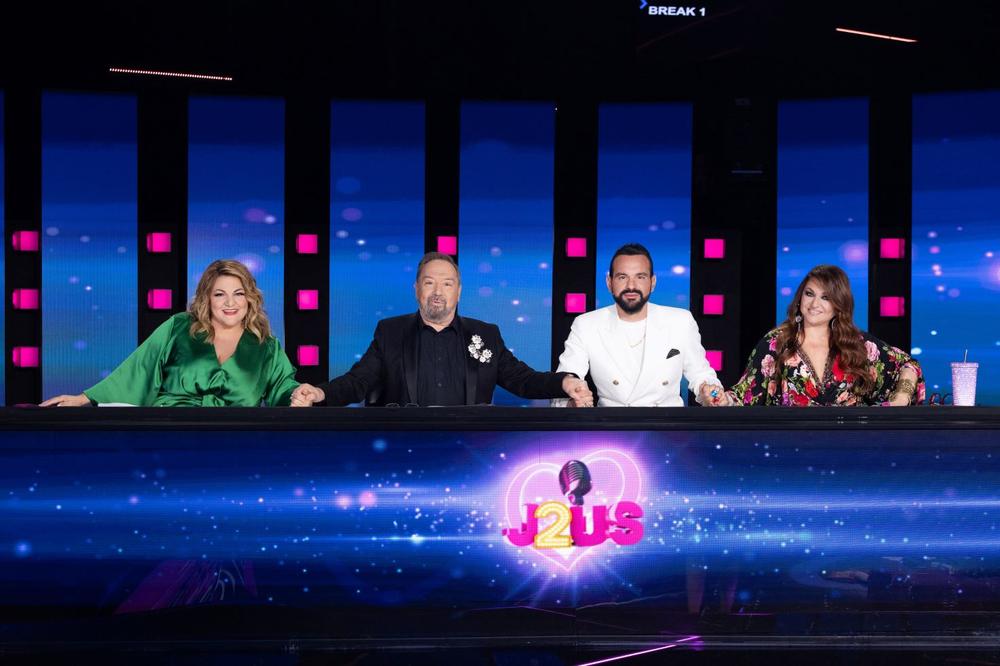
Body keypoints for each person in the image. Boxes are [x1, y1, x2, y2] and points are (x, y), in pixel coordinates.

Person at [290, 252, 593, 407]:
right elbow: (358, 382)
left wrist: (565, 382)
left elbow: (523, 380)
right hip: (405, 446)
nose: (438, 292)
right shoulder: (390, 332)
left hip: (471, 449)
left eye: (447, 284)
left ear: (458, 292)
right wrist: (320, 392)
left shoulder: (485, 335)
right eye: (429, 283)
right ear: (416, 289)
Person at [40, 259, 301, 407]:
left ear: (249, 298)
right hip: (170, 430)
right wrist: (84, 399)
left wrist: (300, 395)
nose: (230, 303)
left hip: (236, 440)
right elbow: (140, 369)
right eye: (220, 294)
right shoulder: (179, 327)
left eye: (239, 294)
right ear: (207, 299)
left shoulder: (266, 346)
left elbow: (283, 388)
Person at [552, 243, 727, 408]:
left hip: (667, 424)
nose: (631, 286)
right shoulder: (587, 324)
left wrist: (711, 392)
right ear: (609, 283)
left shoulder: (680, 321)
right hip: (612, 425)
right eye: (622, 277)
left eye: (640, 277)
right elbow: (566, 380)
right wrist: (572, 400)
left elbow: (701, 374)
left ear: (652, 282)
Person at [728, 264, 923, 406]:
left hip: (851, 444)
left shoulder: (858, 344)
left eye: (825, 297)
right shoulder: (776, 342)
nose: (814, 304)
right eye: (809, 294)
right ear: (800, 297)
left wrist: (902, 397)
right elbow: (744, 394)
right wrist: (722, 399)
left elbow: (908, 365)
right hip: (791, 445)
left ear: (839, 305)